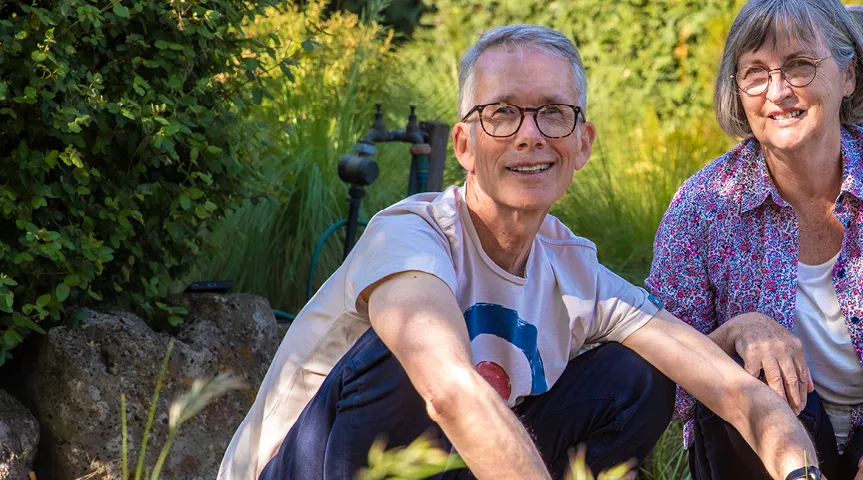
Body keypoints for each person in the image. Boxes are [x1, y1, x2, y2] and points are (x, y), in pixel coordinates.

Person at [221, 24, 827, 480]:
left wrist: (802, 471)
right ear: (463, 143)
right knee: (408, 351)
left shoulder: (574, 272)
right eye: (502, 113)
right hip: (304, 468)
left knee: (637, 375)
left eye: (552, 114)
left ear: (582, 142)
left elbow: (733, 391)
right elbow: (449, 391)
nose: (529, 134)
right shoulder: (410, 235)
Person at [646, 1, 863, 479]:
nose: (778, 91)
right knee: (749, 395)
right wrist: (737, 331)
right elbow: (668, 376)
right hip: (758, 442)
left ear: (848, 75)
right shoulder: (703, 205)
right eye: (755, 73)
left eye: (800, 66)